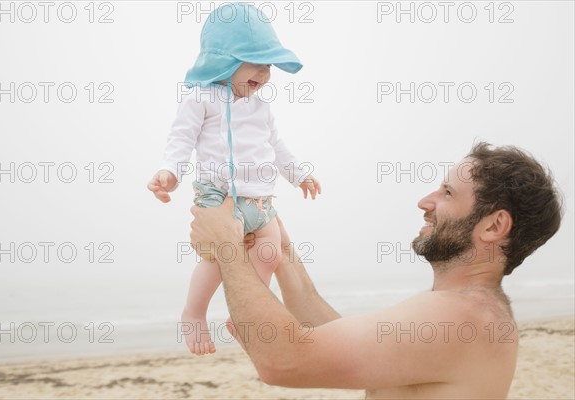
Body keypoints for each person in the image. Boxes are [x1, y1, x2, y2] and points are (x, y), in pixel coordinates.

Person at [189, 142, 562, 398]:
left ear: (494, 226)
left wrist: (226, 245)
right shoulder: (472, 312)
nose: (425, 201)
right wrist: (283, 252)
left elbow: (285, 361)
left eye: (447, 193)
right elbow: (331, 339)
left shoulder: (462, 317)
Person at [147, 3, 321, 355]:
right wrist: (170, 173)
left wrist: (298, 173)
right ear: (224, 59)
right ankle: (194, 314)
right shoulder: (202, 98)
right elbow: (181, 139)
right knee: (217, 259)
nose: (265, 72)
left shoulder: (261, 107)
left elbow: (276, 146)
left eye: (269, 65)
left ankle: (247, 317)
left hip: (261, 202)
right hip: (218, 197)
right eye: (256, 62)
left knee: (270, 254)